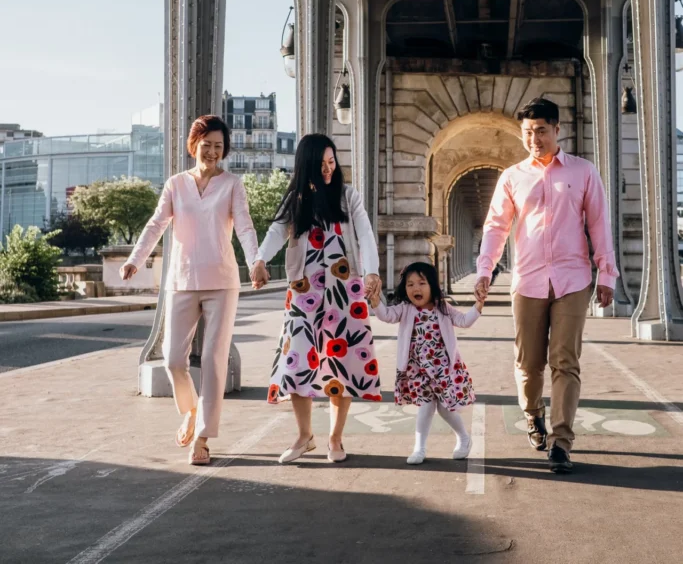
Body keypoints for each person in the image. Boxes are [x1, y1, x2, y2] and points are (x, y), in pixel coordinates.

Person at [475, 97, 618, 475]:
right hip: (528, 280)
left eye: (540, 131)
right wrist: (485, 270)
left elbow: (599, 224)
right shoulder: (512, 177)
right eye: (527, 132)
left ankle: (561, 442)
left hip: (573, 279)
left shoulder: (583, 172)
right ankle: (532, 412)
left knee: (565, 361)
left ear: (557, 130)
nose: (534, 139)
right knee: (529, 363)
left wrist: (607, 273)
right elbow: (496, 226)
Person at [120, 114, 258, 466]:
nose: (212, 152)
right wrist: (136, 259)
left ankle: (204, 437)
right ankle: (190, 411)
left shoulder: (232, 185)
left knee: (213, 359)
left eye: (218, 146)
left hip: (222, 282)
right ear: (193, 145)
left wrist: (255, 261)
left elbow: (245, 227)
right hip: (181, 281)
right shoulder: (176, 185)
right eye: (206, 145)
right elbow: (156, 224)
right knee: (173, 360)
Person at [251, 134, 382, 464]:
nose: (328, 169)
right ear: (306, 165)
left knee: (343, 361)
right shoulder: (296, 200)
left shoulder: (348, 196)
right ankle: (304, 436)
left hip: (346, 289)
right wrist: (260, 260)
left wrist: (371, 272)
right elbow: (276, 232)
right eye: (321, 164)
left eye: (331, 162)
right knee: (296, 360)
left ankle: (335, 438)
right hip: (302, 290)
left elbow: (365, 234)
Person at [369, 261, 483, 465]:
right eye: (410, 284)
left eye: (422, 283)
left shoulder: (443, 308)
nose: (416, 288)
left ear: (432, 285)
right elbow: (386, 315)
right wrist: (376, 301)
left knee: (445, 409)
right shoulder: (405, 308)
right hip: (417, 370)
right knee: (425, 406)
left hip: (443, 369)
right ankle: (419, 448)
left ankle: (464, 438)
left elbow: (464, 321)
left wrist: (479, 304)